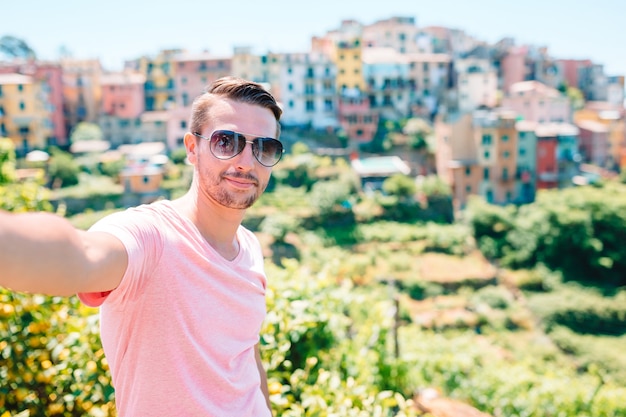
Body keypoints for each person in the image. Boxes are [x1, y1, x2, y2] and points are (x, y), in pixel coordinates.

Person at [0, 76, 285, 416]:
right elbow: (81, 255)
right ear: (192, 149)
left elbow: (245, 355)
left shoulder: (249, 247)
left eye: (263, 147)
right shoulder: (151, 236)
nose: (246, 161)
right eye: (226, 142)